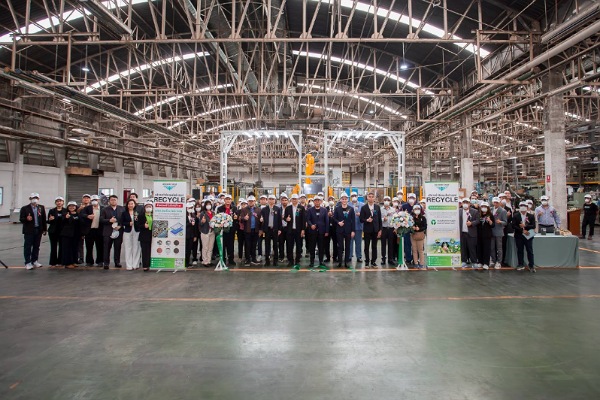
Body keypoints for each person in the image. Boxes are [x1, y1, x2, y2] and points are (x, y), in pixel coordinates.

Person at [20, 193, 47, 270]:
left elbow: (43, 219)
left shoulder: (41, 207)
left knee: (36, 246)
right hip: (29, 230)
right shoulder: (25, 208)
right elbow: (21, 219)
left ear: (38, 199)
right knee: (28, 246)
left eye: (36, 198)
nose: (35, 199)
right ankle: (27, 262)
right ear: (30, 199)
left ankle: (34, 260)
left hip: (38, 229)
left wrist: (45, 229)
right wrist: (26, 219)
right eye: (33, 198)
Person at [100, 194, 125, 269]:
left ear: (117, 201)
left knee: (117, 247)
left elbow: (124, 219)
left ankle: (117, 262)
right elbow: (101, 220)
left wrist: (120, 226)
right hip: (108, 231)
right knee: (107, 248)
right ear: (109, 201)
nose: (113, 201)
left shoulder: (122, 209)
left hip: (118, 230)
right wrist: (109, 220)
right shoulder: (105, 209)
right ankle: (106, 263)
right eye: (112, 200)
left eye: (115, 200)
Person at [360, 192, 382, 268]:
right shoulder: (364, 208)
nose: (371, 198)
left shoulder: (377, 207)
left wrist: (380, 230)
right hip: (367, 230)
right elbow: (361, 219)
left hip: (375, 230)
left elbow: (379, 219)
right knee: (366, 246)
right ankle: (367, 261)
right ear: (367, 198)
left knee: (374, 246)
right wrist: (366, 220)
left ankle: (373, 261)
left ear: (374, 198)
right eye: (369, 196)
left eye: (372, 196)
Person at [305, 196, 329, 268]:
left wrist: (327, 231)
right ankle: (312, 262)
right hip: (312, 231)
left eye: (318, 200)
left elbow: (326, 221)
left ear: (321, 201)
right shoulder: (310, 210)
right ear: (314, 202)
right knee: (312, 247)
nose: (317, 202)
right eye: (316, 200)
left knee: (321, 247)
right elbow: (308, 219)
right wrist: (311, 225)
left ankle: (321, 261)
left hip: (321, 231)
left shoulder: (324, 210)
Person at [512, 201, 536, 272]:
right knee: (520, 250)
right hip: (519, 235)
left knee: (529, 250)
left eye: (524, 206)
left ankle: (531, 265)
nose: (523, 207)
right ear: (519, 207)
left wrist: (525, 226)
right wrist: (521, 230)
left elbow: (533, 225)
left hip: (528, 235)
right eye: (521, 206)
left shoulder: (531, 216)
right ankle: (520, 264)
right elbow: (513, 225)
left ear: (527, 207)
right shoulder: (516, 215)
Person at [80, 195, 104, 267]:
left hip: (99, 230)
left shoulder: (103, 208)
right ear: (90, 201)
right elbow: (81, 215)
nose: (94, 201)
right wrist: (87, 216)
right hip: (89, 230)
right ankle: (89, 261)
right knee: (89, 247)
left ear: (98, 200)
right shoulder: (87, 208)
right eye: (93, 200)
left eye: (96, 200)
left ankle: (100, 261)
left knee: (100, 247)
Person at [259, 195, 282, 266]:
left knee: (275, 245)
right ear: (268, 200)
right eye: (270, 199)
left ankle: (275, 261)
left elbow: (279, 220)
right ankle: (267, 261)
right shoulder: (264, 209)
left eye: (273, 199)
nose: (271, 200)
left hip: (275, 229)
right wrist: (262, 228)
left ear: (275, 200)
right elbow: (261, 220)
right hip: (267, 229)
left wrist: (279, 229)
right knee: (267, 245)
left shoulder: (277, 209)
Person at [333, 193, 355, 268]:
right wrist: (338, 222)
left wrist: (353, 231)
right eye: (343, 199)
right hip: (339, 230)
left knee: (347, 246)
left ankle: (346, 262)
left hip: (348, 230)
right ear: (341, 200)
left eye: (345, 199)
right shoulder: (337, 209)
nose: (344, 200)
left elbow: (353, 220)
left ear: (347, 200)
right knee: (340, 246)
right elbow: (334, 218)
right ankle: (340, 261)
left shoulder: (351, 209)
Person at [284, 193, 306, 267]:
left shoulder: (301, 208)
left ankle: (297, 260)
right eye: (293, 199)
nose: (294, 200)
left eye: (295, 199)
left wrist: (303, 229)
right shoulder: (288, 208)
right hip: (290, 230)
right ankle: (290, 260)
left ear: (298, 200)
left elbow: (303, 219)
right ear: (291, 200)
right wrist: (287, 219)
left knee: (299, 246)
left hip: (298, 230)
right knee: (289, 246)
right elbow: (285, 217)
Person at [239, 195, 261, 266]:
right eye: (250, 201)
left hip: (255, 230)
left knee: (254, 245)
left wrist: (261, 221)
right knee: (247, 245)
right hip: (247, 230)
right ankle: (247, 259)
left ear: (255, 201)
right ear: (248, 202)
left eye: (252, 201)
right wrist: (244, 218)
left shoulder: (258, 209)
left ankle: (254, 258)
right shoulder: (244, 209)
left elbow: (261, 219)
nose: (251, 202)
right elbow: (241, 219)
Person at [119, 199, 141, 270]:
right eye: (129, 204)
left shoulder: (137, 213)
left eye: (132, 204)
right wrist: (128, 223)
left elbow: (140, 221)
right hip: (127, 231)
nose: (130, 205)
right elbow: (121, 222)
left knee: (136, 247)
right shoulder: (124, 213)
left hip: (137, 231)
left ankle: (135, 264)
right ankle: (129, 265)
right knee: (128, 248)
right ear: (127, 205)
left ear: (134, 204)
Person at [216, 194, 237, 266]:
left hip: (231, 229)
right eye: (226, 199)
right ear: (224, 200)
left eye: (229, 199)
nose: (228, 201)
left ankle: (231, 259)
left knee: (231, 245)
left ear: (231, 200)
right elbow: (218, 218)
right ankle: (223, 259)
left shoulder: (234, 208)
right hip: (223, 230)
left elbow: (236, 217)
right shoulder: (220, 208)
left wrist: (236, 217)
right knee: (223, 244)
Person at [459, 198, 479, 269]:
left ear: (469, 204)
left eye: (466, 202)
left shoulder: (475, 211)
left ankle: (474, 262)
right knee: (463, 248)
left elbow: (478, 220)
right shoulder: (459, 211)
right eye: (464, 202)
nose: (465, 204)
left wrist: (471, 223)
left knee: (472, 248)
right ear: (462, 204)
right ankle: (464, 261)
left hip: (471, 233)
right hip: (462, 233)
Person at [60, 201, 82, 269]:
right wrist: (66, 218)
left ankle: (74, 261)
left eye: (73, 206)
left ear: (76, 207)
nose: (71, 207)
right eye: (70, 206)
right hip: (67, 234)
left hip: (76, 234)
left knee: (75, 248)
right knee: (67, 249)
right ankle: (67, 263)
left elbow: (81, 224)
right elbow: (61, 222)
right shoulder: (65, 214)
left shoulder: (78, 214)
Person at [47, 196, 67, 267]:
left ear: (63, 202)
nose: (59, 202)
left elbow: (67, 221)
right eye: (57, 201)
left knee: (62, 247)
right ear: (55, 203)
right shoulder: (52, 211)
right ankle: (53, 262)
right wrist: (50, 219)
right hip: (53, 231)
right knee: (53, 247)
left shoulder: (65, 210)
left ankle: (60, 261)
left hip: (62, 231)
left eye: (60, 201)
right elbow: (48, 221)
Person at [136, 200, 154, 271]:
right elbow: (137, 225)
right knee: (145, 251)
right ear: (144, 207)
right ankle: (145, 265)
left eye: (150, 206)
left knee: (151, 251)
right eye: (147, 206)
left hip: (153, 235)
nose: (149, 208)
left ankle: (151, 264)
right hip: (144, 236)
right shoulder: (141, 216)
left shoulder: (154, 215)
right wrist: (143, 225)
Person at [490, 197, 507, 269]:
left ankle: (499, 262)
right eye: (494, 202)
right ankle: (493, 260)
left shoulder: (503, 211)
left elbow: (505, 222)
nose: (495, 204)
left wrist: (500, 222)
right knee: (492, 247)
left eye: (497, 202)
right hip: (491, 231)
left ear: (499, 203)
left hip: (499, 231)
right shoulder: (491, 209)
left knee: (499, 248)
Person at [478, 202, 495, 270]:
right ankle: (480, 262)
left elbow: (493, 225)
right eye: (482, 206)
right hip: (479, 235)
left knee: (486, 249)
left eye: (485, 206)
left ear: (488, 208)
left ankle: (486, 263)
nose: (483, 208)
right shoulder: (479, 215)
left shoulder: (490, 215)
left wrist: (490, 221)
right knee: (479, 248)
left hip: (487, 235)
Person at [401, 193, 417, 265]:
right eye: (410, 198)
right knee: (407, 243)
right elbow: (399, 215)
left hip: (415, 228)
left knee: (415, 244)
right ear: (407, 199)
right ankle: (408, 258)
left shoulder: (418, 206)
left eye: (413, 198)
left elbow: (422, 215)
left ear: (415, 199)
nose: (411, 199)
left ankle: (415, 258)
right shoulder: (404, 206)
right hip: (406, 228)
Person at [198, 199, 215, 267]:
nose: (208, 206)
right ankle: (204, 261)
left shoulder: (213, 213)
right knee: (205, 247)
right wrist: (202, 221)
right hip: (205, 231)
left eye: (209, 204)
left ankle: (209, 260)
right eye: (207, 204)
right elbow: (200, 224)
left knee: (210, 247)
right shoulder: (203, 213)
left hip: (212, 231)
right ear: (205, 206)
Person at [410, 204, 427, 269]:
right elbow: (409, 226)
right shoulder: (411, 218)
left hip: (420, 234)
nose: (417, 210)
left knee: (420, 250)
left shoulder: (423, 218)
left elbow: (425, 226)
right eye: (415, 209)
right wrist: (413, 228)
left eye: (418, 209)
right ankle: (416, 263)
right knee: (414, 250)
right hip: (413, 235)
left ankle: (421, 263)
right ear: (413, 210)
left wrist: (419, 228)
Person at [380, 196, 395, 266]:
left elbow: (395, 219)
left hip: (391, 228)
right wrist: (383, 219)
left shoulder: (393, 209)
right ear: (383, 201)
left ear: (390, 201)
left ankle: (390, 259)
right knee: (383, 244)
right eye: (385, 200)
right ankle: (383, 258)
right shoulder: (380, 209)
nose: (386, 201)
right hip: (384, 228)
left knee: (391, 244)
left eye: (388, 200)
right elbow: (378, 219)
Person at [76, 194, 91, 264]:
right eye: (84, 198)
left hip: (89, 228)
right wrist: (80, 209)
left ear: (90, 200)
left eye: (87, 198)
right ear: (82, 199)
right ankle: (80, 258)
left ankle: (89, 260)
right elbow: (75, 215)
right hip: (80, 228)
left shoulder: (92, 207)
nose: (86, 199)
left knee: (89, 245)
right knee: (79, 245)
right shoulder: (78, 207)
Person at [350, 192, 364, 262]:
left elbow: (365, 214)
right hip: (350, 227)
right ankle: (349, 256)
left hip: (359, 226)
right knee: (350, 243)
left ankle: (359, 256)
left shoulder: (362, 205)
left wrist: (360, 214)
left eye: (355, 195)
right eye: (352, 196)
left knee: (358, 243)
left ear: (357, 196)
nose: (354, 197)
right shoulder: (348, 205)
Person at [185, 201, 199, 268]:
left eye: (191, 207)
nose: (190, 209)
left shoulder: (193, 216)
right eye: (189, 208)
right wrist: (190, 224)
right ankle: (185, 263)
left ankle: (188, 262)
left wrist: (195, 235)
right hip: (185, 235)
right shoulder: (184, 216)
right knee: (185, 250)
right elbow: (183, 224)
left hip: (191, 235)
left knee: (189, 249)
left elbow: (195, 227)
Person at [324, 197, 338, 263]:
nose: (331, 201)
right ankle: (327, 257)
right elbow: (323, 218)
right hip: (327, 229)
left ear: (334, 201)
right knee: (326, 244)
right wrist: (327, 215)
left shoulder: (337, 209)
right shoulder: (325, 209)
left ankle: (335, 257)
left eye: (332, 199)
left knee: (335, 243)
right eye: (329, 200)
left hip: (335, 229)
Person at [278, 193, 289, 263]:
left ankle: (288, 256)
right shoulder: (278, 209)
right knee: (281, 243)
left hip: (288, 228)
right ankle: (281, 256)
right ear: (281, 201)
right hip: (281, 228)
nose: (284, 201)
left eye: (285, 200)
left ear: (288, 201)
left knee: (289, 243)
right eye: (283, 200)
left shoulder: (290, 209)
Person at [257, 194, 268, 261]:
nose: (263, 200)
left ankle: (268, 254)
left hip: (267, 228)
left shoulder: (269, 208)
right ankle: (259, 254)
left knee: (267, 242)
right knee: (259, 242)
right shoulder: (257, 208)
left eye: (264, 199)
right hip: (259, 228)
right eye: (261, 199)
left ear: (266, 200)